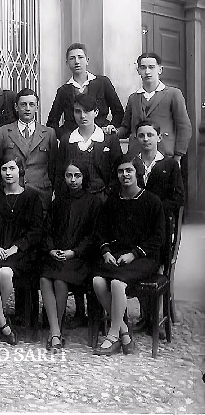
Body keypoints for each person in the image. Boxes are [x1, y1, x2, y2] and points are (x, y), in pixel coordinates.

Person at [92, 154, 165, 355]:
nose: (125, 175)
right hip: (117, 256)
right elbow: (100, 232)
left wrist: (134, 254)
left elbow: (158, 237)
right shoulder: (112, 202)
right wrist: (106, 252)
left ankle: (113, 335)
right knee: (97, 281)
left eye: (129, 170)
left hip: (144, 258)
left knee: (117, 283)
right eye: (120, 171)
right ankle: (125, 332)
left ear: (137, 173)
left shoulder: (152, 201)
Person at [0, 154, 44, 345]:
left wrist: (16, 248)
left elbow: (35, 231)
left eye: (12, 168)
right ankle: (3, 323)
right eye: (4, 169)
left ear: (20, 171)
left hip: (21, 253)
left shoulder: (32, 197)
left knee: (6, 273)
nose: (8, 173)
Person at [40, 161, 101, 352]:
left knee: (59, 280)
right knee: (44, 278)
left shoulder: (93, 202)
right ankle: (55, 332)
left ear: (84, 177)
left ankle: (55, 332)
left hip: (80, 258)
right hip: (57, 255)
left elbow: (93, 236)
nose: (73, 180)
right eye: (69, 176)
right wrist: (51, 249)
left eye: (77, 176)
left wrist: (74, 252)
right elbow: (47, 229)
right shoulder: (58, 201)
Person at [132, 120, 184, 336]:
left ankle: (157, 318)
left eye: (150, 135)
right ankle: (145, 316)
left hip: (161, 228)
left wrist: (155, 208)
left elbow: (178, 198)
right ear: (136, 138)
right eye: (141, 135)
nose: (146, 139)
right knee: (134, 260)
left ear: (158, 138)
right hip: (136, 228)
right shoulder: (132, 164)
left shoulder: (169, 165)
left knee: (157, 266)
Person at [118, 52, 192, 165]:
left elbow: (184, 127)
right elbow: (126, 127)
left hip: (165, 155)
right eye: (143, 68)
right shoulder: (133, 98)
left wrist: (178, 156)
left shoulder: (173, 94)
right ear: (138, 70)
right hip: (137, 156)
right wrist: (113, 131)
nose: (147, 72)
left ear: (160, 69)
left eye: (151, 67)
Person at [0, 88, 57, 210]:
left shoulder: (49, 133)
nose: (27, 108)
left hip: (41, 195)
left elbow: (54, 168)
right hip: (12, 195)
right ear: (16, 107)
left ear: (37, 107)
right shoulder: (3, 132)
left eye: (31, 104)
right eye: (23, 104)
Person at [47, 43, 124, 140]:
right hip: (74, 143)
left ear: (87, 60)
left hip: (102, 139)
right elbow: (52, 123)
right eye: (72, 58)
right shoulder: (63, 91)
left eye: (80, 57)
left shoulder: (103, 83)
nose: (77, 62)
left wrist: (111, 127)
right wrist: (66, 136)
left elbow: (119, 112)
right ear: (67, 63)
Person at [56, 93, 122, 201]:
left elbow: (117, 171)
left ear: (96, 112)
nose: (82, 116)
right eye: (78, 111)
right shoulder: (66, 140)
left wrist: (108, 196)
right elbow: (59, 174)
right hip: (73, 200)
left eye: (87, 111)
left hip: (102, 200)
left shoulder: (109, 139)